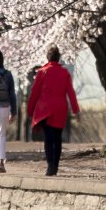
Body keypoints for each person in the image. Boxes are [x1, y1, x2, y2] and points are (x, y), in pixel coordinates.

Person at [27, 45, 79, 176]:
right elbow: (70, 92)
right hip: (60, 108)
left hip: (45, 109)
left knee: (49, 139)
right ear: (59, 58)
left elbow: (35, 93)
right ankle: (55, 165)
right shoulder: (65, 73)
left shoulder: (42, 72)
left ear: (47, 57)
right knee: (57, 138)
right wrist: (75, 110)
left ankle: (51, 166)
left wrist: (30, 110)